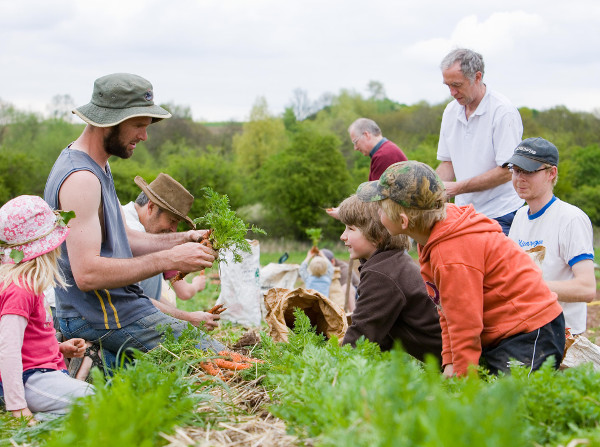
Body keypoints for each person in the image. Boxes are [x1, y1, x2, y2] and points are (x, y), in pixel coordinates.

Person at [44, 73, 226, 361]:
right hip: (100, 316)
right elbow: (87, 274)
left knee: (211, 352)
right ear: (110, 121)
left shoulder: (97, 167)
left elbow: (125, 238)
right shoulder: (81, 179)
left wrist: (184, 239)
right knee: (218, 357)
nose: (144, 135)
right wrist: (171, 259)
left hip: (122, 308)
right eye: (139, 125)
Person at [357, 161, 565, 377]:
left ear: (403, 221)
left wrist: (461, 376)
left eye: (381, 208)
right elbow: (446, 309)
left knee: (505, 402)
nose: (377, 212)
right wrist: (449, 361)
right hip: (503, 334)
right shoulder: (433, 232)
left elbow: (466, 322)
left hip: (531, 331)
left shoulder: (451, 254)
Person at [0, 196, 94, 420]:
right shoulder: (20, 291)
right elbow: (8, 349)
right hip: (30, 378)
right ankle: (25, 421)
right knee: (93, 400)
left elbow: (28, 342)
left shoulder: (29, 286)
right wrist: (17, 406)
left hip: (40, 374)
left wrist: (59, 348)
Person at [504, 137, 596, 335]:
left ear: (551, 173)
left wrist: (532, 286)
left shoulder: (570, 219)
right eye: (516, 170)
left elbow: (587, 288)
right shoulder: (520, 216)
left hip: (561, 335)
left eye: (528, 171)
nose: (520, 178)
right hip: (525, 329)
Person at [337, 195, 442, 361]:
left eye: (350, 229)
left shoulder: (382, 274)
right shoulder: (392, 262)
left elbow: (362, 332)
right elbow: (383, 331)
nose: (343, 236)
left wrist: (334, 365)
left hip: (446, 358)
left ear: (377, 235)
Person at [436, 48, 524, 234]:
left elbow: (507, 171)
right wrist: (431, 189)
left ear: (477, 77)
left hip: (501, 213)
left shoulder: (503, 112)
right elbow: (448, 164)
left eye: (457, 85)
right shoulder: (450, 111)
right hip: (464, 214)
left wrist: (457, 188)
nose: (452, 92)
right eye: (447, 85)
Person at [121, 174, 219, 330]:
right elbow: (130, 298)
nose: (173, 230)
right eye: (172, 221)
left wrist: (183, 317)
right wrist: (188, 319)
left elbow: (145, 292)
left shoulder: (140, 228)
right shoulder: (132, 229)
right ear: (151, 207)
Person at [327, 118, 407, 221]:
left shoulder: (385, 155)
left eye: (355, 142)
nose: (355, 148)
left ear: (366, 135)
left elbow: (375, 199)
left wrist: (345, 212)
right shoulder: (384, 151)